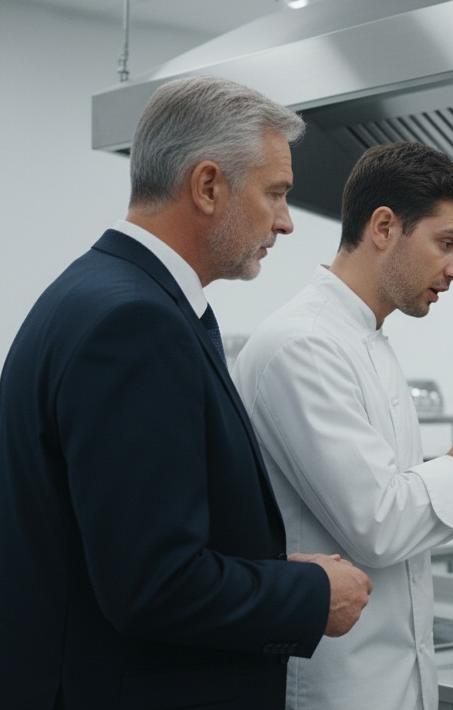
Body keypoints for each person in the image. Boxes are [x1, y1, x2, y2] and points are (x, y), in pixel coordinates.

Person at [0, 75, 373, 710]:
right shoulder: (134, 324)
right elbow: (154, 583)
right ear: (207, 186)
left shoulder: (97, 294)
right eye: (276, 193)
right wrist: (309, 594)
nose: (285, 221)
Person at [232, 142, 453, 710]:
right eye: (447, 244)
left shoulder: (366, 339)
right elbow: (381, 524)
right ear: (384, 226)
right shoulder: (303, 345)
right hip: (332, 687)